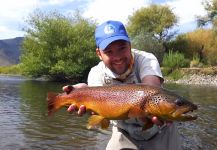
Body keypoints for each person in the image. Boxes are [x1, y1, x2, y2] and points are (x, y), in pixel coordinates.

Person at [63, 20, 182, 150]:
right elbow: (98, 109)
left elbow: (152, 88)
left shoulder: (147, 59)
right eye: (109, 51)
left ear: (130, 45)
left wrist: (151, 108)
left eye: (122, 48)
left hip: (161, 131)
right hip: (124, 133)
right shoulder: (96, 73)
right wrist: (82, 94)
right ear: (99, 54)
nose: (118, 57)